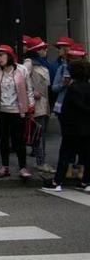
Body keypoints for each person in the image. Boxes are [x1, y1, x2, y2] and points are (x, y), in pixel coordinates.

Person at [42, 59, 90, 192]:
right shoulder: (88, 87)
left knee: (65, 155)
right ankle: (85, 181)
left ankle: (57, 181)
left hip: (73, 128)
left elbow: (67, 109)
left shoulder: (72, 89)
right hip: (87, 128)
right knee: (86, 155)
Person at [0, 44, 34, 180]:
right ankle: (5, 166)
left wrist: (30, 105)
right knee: (3, 139)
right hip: (1, 109)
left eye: (1, 55)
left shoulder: (21, 70)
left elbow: (29, 88)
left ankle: (22, 167)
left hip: (17, 110)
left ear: (9, 56)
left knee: (18, 140)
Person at [24, 37, 53, 173]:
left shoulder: (43, 64)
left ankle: (41, 160)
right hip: (36, 104)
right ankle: (41, 162)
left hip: (44, 103)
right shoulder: (29, 63)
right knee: (39, 135)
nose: (45, 50)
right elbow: (22, 80)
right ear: (36, 50)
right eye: (42, 48)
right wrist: (31, 91)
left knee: (41, 134)